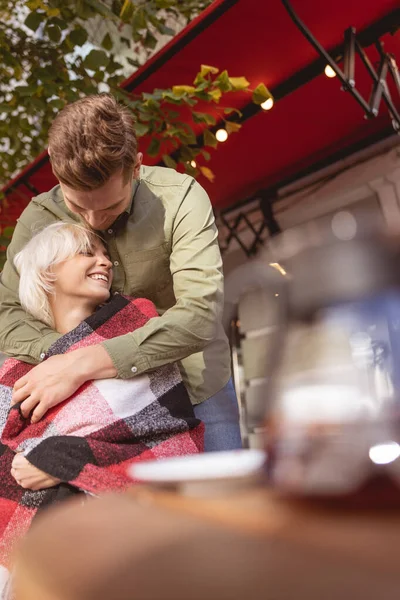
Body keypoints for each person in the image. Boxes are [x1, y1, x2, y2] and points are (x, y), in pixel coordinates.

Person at [0, 94, 241, 452]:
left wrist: (84, 360)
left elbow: (200, 316)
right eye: (77, 206)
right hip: (91, 403)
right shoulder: (38, 218)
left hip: (196, 389)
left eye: (112, 205)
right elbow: (8, 315)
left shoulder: (181, 199)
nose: (94, 220)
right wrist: (68, 361)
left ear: (137, 167)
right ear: (54, 167)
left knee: (222, 507)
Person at [0, 222, 203, 596]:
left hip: (115, 536)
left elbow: (168, 437)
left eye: (106, 254)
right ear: (48, 273)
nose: (104, 262)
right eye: (86, 252)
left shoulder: (138, 328)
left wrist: (63, 458)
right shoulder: (13, 368)